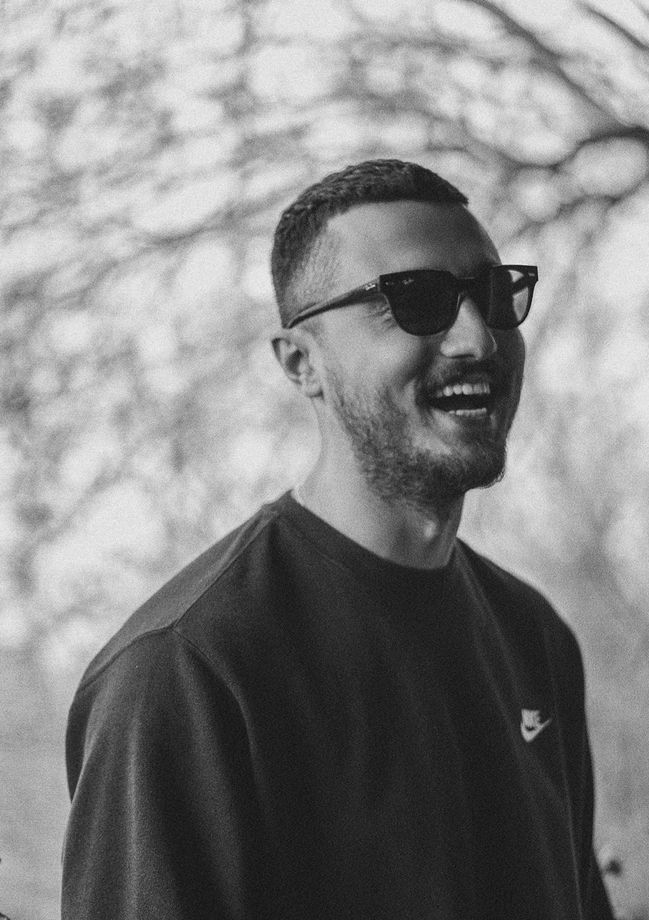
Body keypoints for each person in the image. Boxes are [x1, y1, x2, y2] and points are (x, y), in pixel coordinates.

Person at [61, 158, 614, 920]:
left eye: (494, 295)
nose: (476, 337)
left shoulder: (536, 639)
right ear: (301, 363)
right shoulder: (188, 671)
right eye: (415, 300)